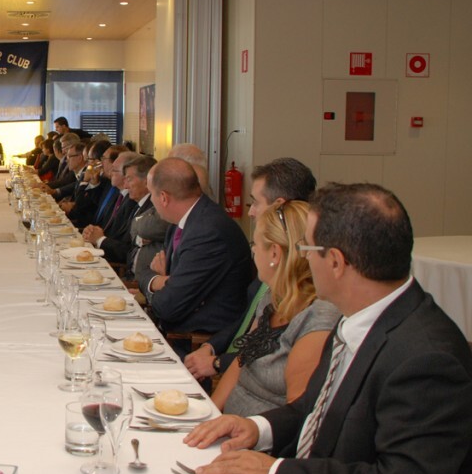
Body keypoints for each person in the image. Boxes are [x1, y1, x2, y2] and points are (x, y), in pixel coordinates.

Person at [185, 183, 472, 474]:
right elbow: (315, 408)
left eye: (306, 249)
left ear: (335, 262)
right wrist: (257, 427)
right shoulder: (360, 317)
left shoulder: (426, 359)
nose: (302, 260)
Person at [185, 157, 318, 382]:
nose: (251, 212)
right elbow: (246, 319)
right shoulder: (270, 264)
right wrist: (211, 346)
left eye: (255, 202)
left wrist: (218, 363)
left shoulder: (305, 278)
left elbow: (272, 354)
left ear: (279, 204)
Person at [210, 201, 339, 416]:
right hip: (228, 426)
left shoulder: (317, 318)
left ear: (275, 254)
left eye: (255, 244)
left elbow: (295, 417)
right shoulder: (272, 296)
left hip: (259, 442)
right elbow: (243, 360)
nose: (252, 251)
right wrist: (208, 415)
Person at [142, 157, 252, 356]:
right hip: (180, 331)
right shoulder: (187, 221)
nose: (151, 201)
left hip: (198, 343)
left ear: (164, 198)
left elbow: (168, 306)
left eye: (151, 195)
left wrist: (157, 283)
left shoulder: (207, 232)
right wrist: (162, 282)